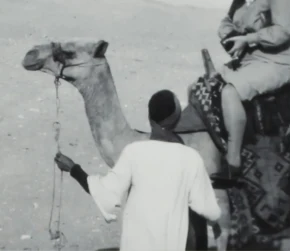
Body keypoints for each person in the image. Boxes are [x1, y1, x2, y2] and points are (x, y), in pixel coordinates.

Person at [55, 90, 221, 251]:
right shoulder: (191, 158)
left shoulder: (133, 152)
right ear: (178, 118)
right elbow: (210, 211)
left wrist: (73, 168)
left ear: (149, 118)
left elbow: (105, 193)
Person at [211, 0, 290, 185]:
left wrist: (249, 40)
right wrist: (231, 38)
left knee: (230, 91)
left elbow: (284, 30)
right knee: (207, 84)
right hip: (248, 60)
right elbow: (227, 21)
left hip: (276, 61)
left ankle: (233, 163)